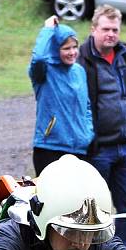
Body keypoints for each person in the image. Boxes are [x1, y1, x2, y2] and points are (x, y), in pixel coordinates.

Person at [79, 4, 126, 250]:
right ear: (93, 29)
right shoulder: (82, 58)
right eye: (106, 29)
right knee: (94, 206)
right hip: (98, 148)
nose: (111, 34)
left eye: (115, 29)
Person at [28, 16, 93, 175]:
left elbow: (87, 107)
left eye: (74, 47)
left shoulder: (79, 71)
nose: (72, 52)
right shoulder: (43, 72)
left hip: (79, 149)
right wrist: (48, 29)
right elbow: (38, 58)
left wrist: (87, 133)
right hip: (50, 148)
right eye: (66, 48)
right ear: (55, 49)